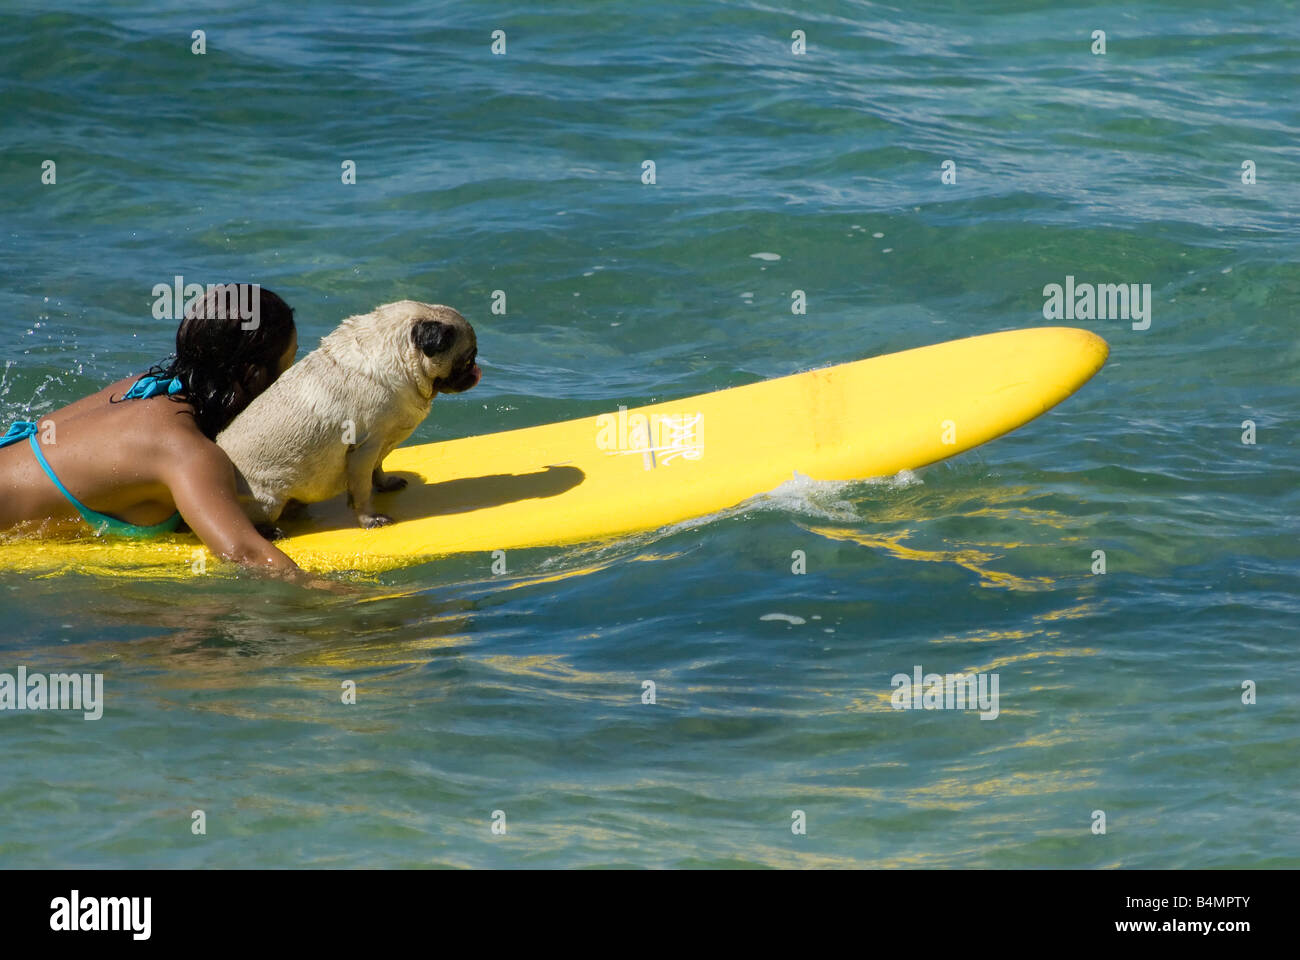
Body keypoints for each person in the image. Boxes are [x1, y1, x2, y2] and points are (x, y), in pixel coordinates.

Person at [0, 284, 334, 589]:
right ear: (254, 375)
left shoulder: (145, 388)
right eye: (288, 367)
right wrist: (353, 601)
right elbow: (245, 554)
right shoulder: (185, 451)